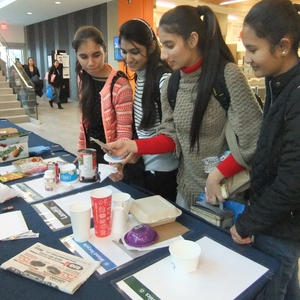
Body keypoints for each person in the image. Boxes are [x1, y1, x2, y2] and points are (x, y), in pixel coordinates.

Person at [107, 5, 262, 210]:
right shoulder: (173, 83)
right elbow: (170, 138)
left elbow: (253, 139)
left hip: (225, 192)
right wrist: (132, 146)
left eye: (170, 45)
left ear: (192, 40)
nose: (163, 55)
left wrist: (217, 174)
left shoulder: (227, 75)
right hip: (186, 189)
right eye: (163, 45)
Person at [228, 1, 300, 299]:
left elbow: (293, 181)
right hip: (274, 221)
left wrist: (248, 222)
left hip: (281, 226)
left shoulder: (295, 95)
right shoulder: (278, 83)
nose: (247, 58)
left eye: (253, 49)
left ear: (283, 46)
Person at [110, 18, 179, 202]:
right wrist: (133, 154)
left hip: (163, 172)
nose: (128, 58)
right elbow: (147, 132)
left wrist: (132, 146)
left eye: (135, 52)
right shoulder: (141, 77)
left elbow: (172, 138)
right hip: (148, 167)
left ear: (151, 47)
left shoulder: (164, 80)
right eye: (124, 52)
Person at [72, 25, 133, 164]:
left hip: (112, 155)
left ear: (105, 50)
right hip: (90, 153)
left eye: (96, 55)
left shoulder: (120, 84)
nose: (91, 63)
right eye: (83, 56)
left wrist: (117, 162)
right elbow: (84, 120)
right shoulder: (82, 76)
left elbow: (124, 132)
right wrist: (82, 150)